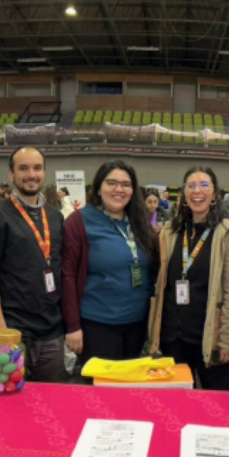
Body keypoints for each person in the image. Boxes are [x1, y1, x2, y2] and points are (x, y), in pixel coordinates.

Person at [0, 147, 66, 382]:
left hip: (51, 330)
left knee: (50, 401)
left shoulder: (55, 216)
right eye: (23, 168)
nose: (31, 174)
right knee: (7, 399)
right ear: (11, 174)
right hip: (13, 329)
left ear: (44, 172)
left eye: (37, 168)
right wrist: (0, 328)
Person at [148, 166, 229, 390]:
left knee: (218, 409)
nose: (197, 191)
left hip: (211, 339)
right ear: (183, 194)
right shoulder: (170, 232)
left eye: (204, 185)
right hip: (172, 337)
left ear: (214, 193)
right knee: (176, 408)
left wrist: (228, 339)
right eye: (191, 185)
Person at [62, 160, 157, 375]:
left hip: (137, 324)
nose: (119, 189)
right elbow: (67, 275)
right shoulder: (79, 222)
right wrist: (73, 325)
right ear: (98, 187)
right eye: (111, 183)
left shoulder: (139, 222)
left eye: (126, 184)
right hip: (98, 325)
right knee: (102, 396)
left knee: (130, 392)